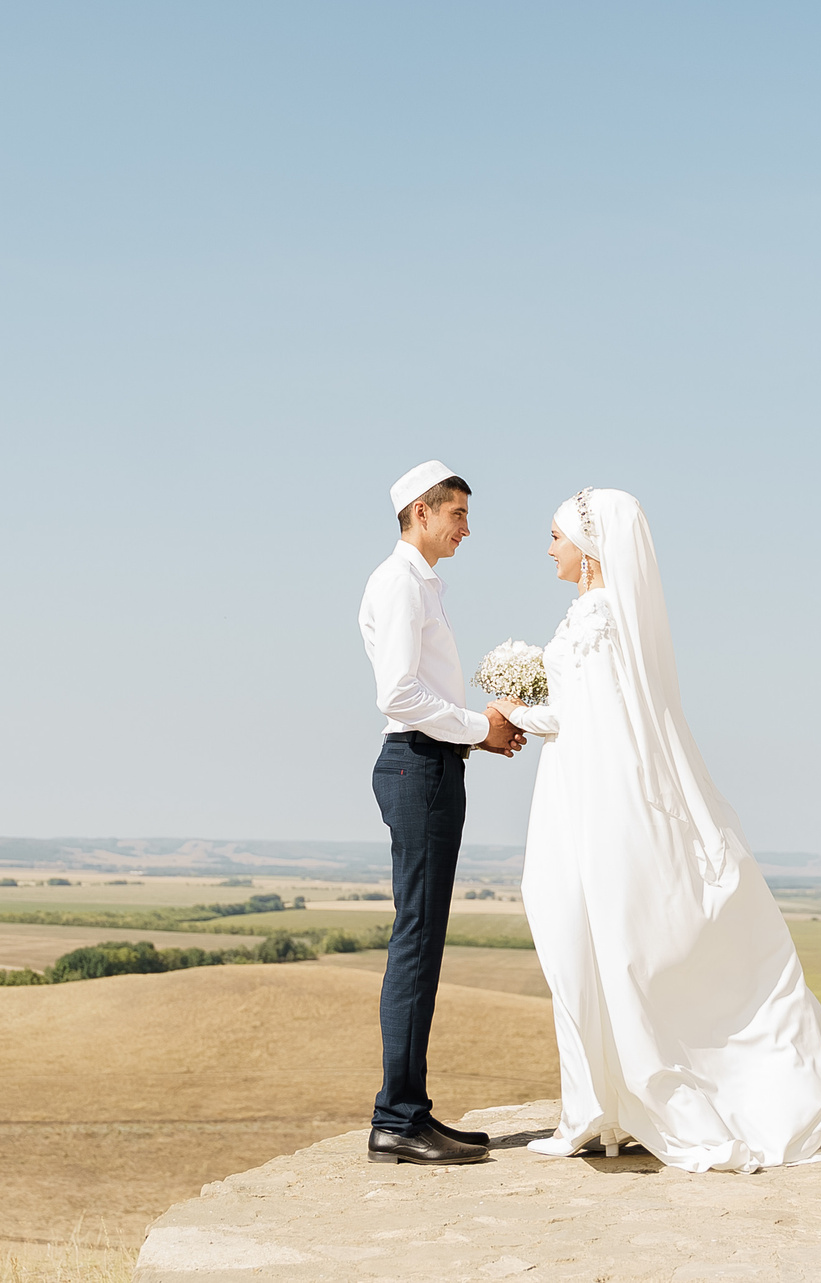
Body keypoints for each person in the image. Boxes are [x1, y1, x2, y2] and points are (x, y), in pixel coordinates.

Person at [505, 487, 821, 1172]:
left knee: (588, 932)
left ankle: (615, 1102)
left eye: (556, 536)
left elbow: (582, 716)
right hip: (583, 786)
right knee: (583, 932)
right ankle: (608, 1102)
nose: (549, 548)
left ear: (589, 547)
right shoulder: (595, 614)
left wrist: (513, 711)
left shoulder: (597, 617)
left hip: (591, 794)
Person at [357, 459, 528, 1166]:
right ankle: (396, 1118)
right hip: (418, 765)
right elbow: (398, 693)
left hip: (430, 765)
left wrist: (473, 733)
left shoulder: (417, 583)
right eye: (457, 513)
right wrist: (475, 725)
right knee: (416, 943)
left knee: (422, 944)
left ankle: (412, 1109)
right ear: (421, 513)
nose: (466, 528)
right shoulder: (401, 583)